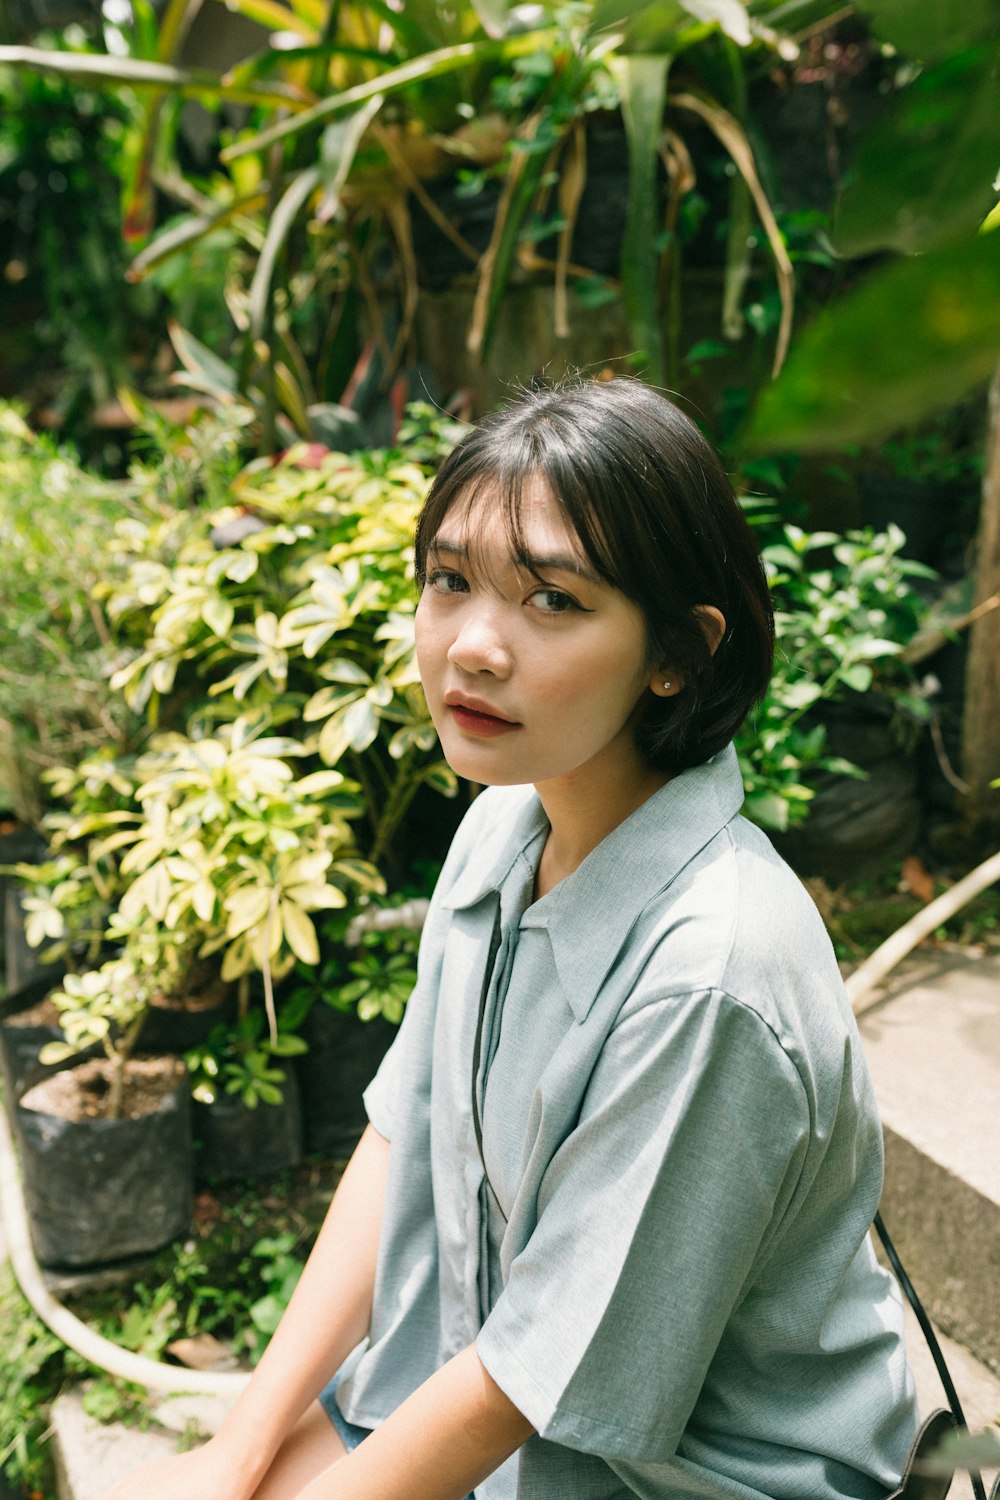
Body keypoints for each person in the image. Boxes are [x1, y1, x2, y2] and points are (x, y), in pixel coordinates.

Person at [100, 377, 919, 1500]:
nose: (472, 647)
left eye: (554, 602)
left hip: (681, 1476)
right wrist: (233, 1450)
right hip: (496, 1405)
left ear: (676, 653)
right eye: (449, 581)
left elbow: (531, 1376)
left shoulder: (709, 978)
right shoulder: (504, 826)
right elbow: (402, 1142)